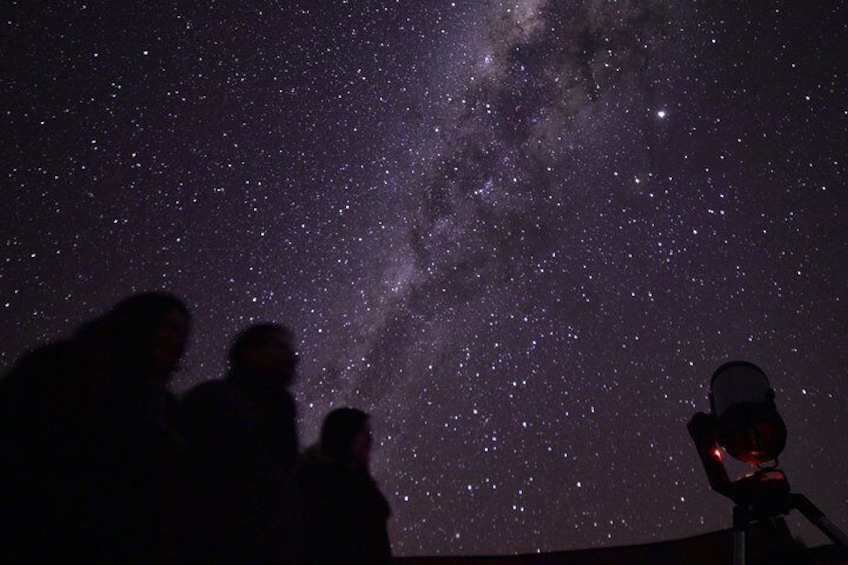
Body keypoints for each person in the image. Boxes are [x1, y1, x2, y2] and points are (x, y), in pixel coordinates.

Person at [0, 292, 191, 563]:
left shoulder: (161, 404)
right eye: (168, 327)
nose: (176, 341)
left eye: (182, 335)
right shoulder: (64, 366)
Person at [179, 323, 301, 564]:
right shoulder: (213, 401)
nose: (291, 356)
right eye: (278, 346)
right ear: (249, 351)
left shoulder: (282, 412)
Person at [298, 407, 392, 565]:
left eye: (368, 433)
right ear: (344, 437)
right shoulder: (319, 487)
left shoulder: (362, 488)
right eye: (362, 432)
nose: (369, 439)